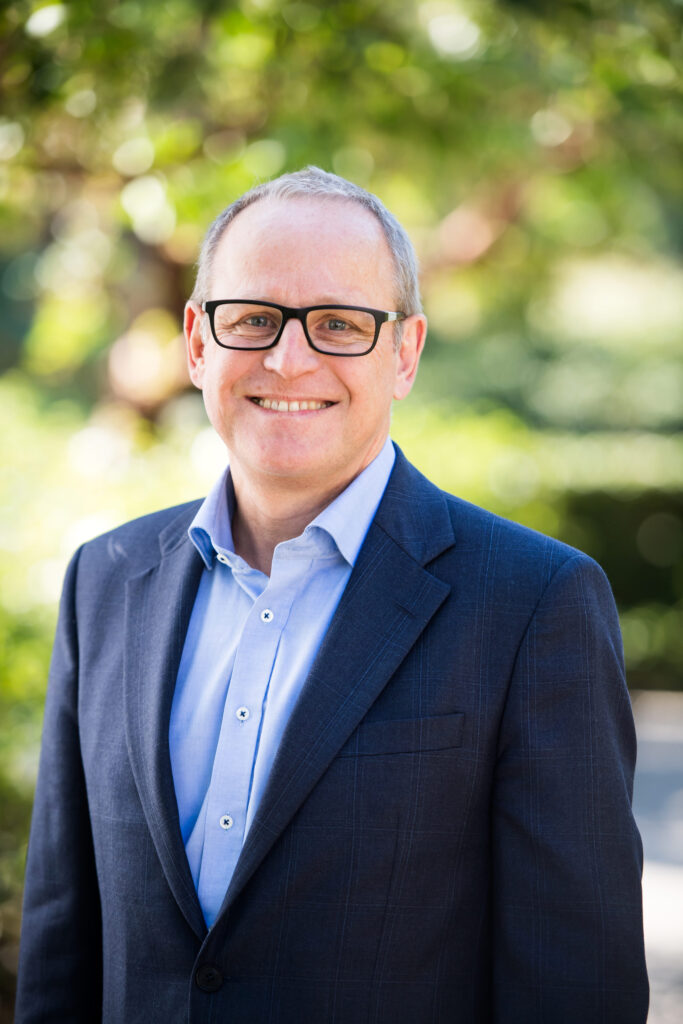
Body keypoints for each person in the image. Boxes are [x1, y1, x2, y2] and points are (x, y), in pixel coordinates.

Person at [16, 167, 648, 1023]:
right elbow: (63, 939)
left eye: (340, 324)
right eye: (252, 319)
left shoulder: (533, 606)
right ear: (198, 343)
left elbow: (572, 987)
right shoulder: (105, 579)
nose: (288, 357)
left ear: (405, 354)